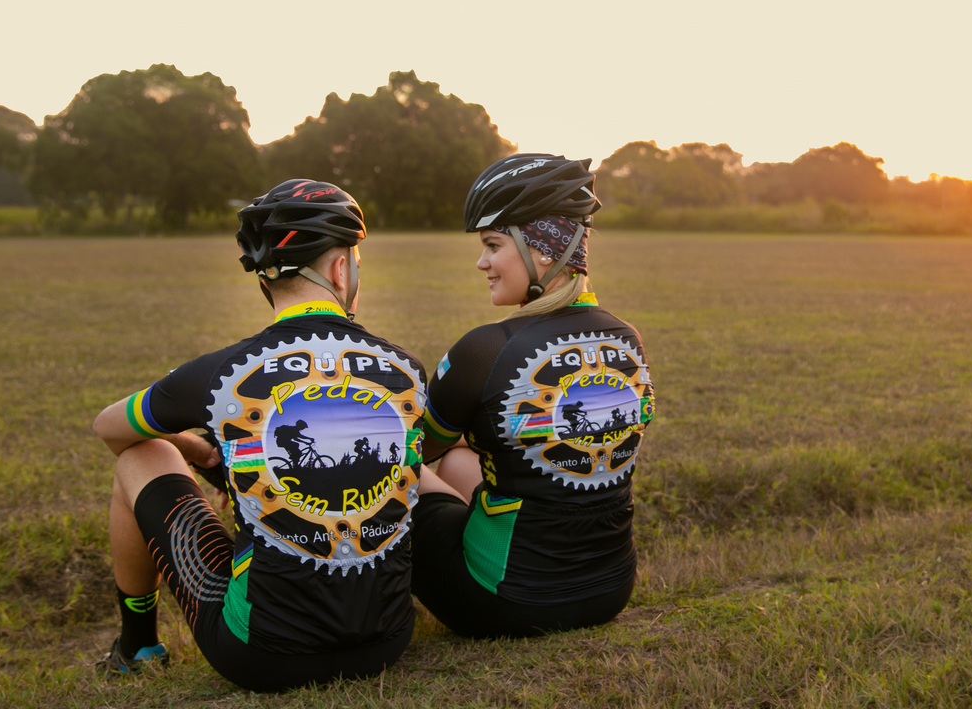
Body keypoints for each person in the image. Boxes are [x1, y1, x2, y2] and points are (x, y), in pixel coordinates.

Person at [91, 180, 426, 691]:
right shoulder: (408, 369)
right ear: (342, 269)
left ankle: (136, 646)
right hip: (388, 643)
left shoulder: (218, 372)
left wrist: (192, 445)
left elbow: (109, 429)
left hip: (260, 656)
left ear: (265, 279)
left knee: (143, 452)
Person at [411, 154, 655, 638]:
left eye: (493, 244)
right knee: (469, 453)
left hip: (505, 604)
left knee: (382, 466)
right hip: (610, 590)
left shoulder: (486, 348)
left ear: (542, 250)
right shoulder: (627, 338)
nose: (481, 262)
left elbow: (416, 450)